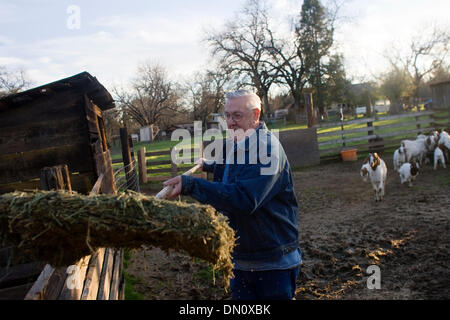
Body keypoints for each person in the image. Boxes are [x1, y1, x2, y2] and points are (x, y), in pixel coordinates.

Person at [163, 89, 301, 300]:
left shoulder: (267, 149)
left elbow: (244, 198)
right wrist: (209, 166)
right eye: (227, 115)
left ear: (256, 115)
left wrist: (192, 186)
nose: (230, 122)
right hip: (242, 258)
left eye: (237, 115)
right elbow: (232, 168)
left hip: (272, 263)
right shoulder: (238, 142)